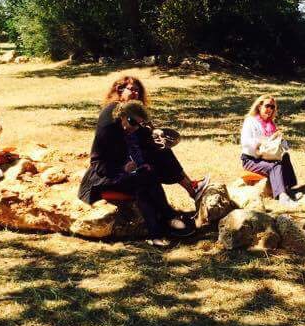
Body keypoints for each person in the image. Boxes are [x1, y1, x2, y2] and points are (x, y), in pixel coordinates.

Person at [78, 101, 190, 247]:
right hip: (103, 179)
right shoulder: (107, 130)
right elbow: (97, 163)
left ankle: (157, 233)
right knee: (142, 182)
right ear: (122, 116)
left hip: (130, 175)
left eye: (139, 124)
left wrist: (154, 136)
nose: (135, 127)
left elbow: (148, 140)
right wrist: (123, 169)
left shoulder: (134, 127)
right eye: (132, 122)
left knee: (146, 178)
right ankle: (168, 219)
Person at [93, 75, 209, 203]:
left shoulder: (133, 111)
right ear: (120, 90)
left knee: (162, 151)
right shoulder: (112, 110)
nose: (135, 93)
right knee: (160, 155)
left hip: (129, 159)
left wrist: (156, 133)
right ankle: (191, 188)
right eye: (132, 89)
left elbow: (146, 132)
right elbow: (113, 145)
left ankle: (192, 186)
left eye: (138, 90)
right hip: (113, 168)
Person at [240, 95, 298, 203]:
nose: (270, 109)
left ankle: (289, 190)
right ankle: (282, 196)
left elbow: (283, 147)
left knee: (285, 158)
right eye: (267, 106)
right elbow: (245, 142)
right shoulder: (250, 121)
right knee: (275, 166)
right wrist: (262, 143)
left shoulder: (271, 125)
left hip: (266, 158)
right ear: (259, 106)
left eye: (272, 107)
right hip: (251, 160)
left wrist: (281, 141)